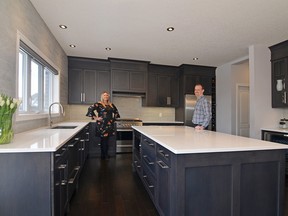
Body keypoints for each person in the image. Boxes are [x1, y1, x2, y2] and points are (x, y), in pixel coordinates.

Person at [86, 91, 120, 159]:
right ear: (102, 96)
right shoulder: (99, 104)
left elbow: (116, 112)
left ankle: (104, 154)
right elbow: (90, 109)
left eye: (107, 95)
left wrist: (113, 119)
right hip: (102, 124)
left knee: (106, 140)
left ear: (108, 96)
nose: (106, 96)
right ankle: (104, 155)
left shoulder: (111, 104)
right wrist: (96, 118)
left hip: (109, 124)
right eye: (104, 95)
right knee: (103, 139)